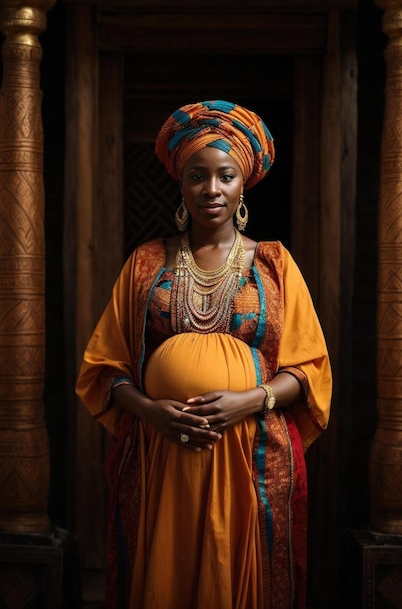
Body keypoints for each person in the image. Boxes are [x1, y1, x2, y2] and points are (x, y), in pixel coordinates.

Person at [76, 99, 332, 609]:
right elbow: (105, 369)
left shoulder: (275, 264)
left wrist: (248, 400)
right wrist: (152, 411)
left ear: (243, 185)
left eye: (224, 176)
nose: (210, 189)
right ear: (181, 183)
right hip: (160, 454)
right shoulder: (146, 262)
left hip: (249, 452)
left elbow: (308, 369)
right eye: (197, 175)